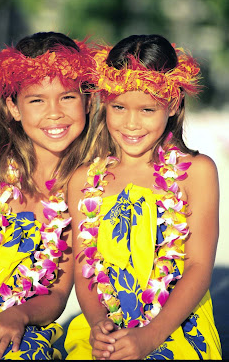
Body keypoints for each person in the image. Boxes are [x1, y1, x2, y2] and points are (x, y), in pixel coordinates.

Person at [64, 34, 222, 360]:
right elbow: (85, 270)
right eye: (119, 107)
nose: (131, 123)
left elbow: (199, 265)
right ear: (104, 102)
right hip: (104, 324)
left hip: (176, 325)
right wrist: (99, 326)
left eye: (148, 109)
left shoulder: (197, 172)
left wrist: (149, 336)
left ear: (174, 104)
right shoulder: (84, 180)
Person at [0, 31, 95, 360]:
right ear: (13, 107)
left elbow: (59, 293)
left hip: (23, 325)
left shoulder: (88, 189)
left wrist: (18, 316)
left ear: (88, 101)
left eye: (67, 97)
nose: (54, 113)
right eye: (37, 100)